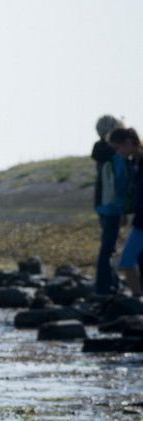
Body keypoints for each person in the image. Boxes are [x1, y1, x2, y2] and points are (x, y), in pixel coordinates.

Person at [94, 115, 128, 295]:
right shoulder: (113, 153)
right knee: (109, 246)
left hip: (103, 205)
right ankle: (104, 286)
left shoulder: (100, 151)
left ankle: (109, 283)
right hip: (112, 206)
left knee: (109, 245)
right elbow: (119, 182)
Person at [108, 127, 143, 296]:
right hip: (140, 218)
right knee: (131, 260)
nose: (117, 153)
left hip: (142, 222)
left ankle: (137, 300)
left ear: (128, 143)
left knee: (127, 260)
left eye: (117, 148)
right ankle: (138, 299)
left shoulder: (138, 162)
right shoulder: (133, 163)